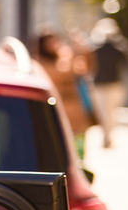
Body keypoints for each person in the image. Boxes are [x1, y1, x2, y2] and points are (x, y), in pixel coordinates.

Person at [34, 27, 95, 161]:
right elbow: (61, 73)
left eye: (54, 41)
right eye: (49, 42)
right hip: (54, 108)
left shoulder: (65, 56)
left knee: (78, 144)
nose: (53, 45)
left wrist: (80, 48)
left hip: (74, 109)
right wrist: (70, 55)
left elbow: (85, 67)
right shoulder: (39, 63)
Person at [89, 17, 128, 148]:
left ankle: (107, 136)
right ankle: (107, 136)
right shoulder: (112, 48)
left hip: (109, 86)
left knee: (106, 113)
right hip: (107, 86)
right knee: (109, 113)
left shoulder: (106, 49)